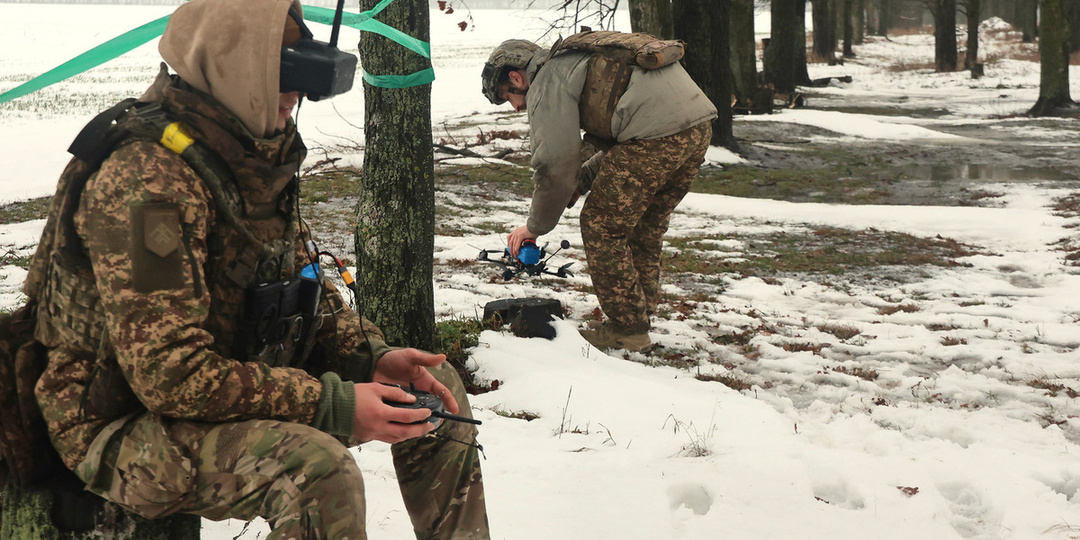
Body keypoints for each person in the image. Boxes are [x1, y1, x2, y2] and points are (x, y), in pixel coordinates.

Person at [24, 0, 489, 538]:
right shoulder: (147, 182)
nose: (295, 96)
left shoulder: (249, 154)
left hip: (224, 382)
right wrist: (333, 403)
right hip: (114, 423)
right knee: (317, 471)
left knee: (434, 397)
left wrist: (373, 357)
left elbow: (302, 282)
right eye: (281, 77)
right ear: (230, 73)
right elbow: (169, 374)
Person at [481, 36, 718, 353]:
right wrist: (582, 181)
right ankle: (639, 316)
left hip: (654, 135)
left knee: (600, 225)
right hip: (697, 128)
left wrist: (534, 228)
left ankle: (627, 329)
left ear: (515, 77)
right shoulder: (575, 61)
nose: (516, 106)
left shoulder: (546, 81)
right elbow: (616, 136)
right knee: (645, 225)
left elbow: (555, 165)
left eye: (508, 97)